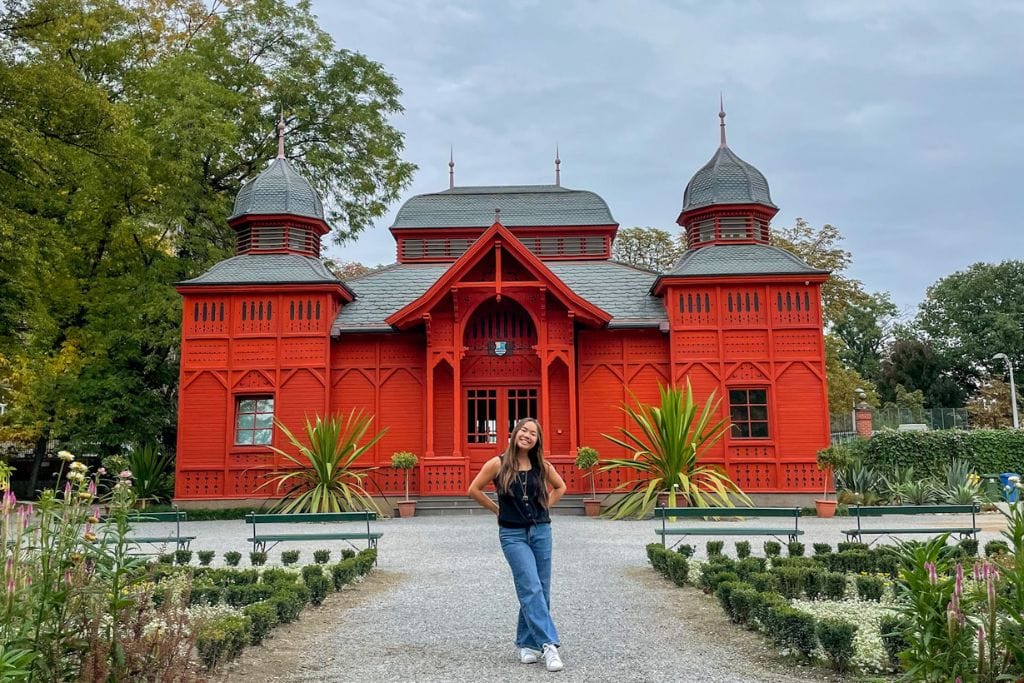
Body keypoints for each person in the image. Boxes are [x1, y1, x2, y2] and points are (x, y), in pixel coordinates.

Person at [467, 417, 567, 672]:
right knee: (530, 586)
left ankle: (525, 643)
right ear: (514, 433)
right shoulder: (497, 464)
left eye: (533, 433)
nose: (527, 435)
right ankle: (548, 644)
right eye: (524, 430)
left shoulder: (541, 465)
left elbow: (560, 486)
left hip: (541, 531)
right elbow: (474, 489)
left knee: (541, 589)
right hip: (513, 535)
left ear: (537, 440)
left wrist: (546, 506)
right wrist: (497, 510)